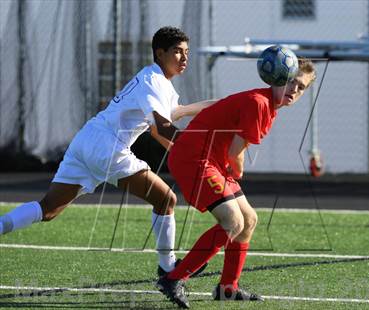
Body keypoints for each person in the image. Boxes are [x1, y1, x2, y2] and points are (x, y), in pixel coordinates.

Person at [0, 26, 213, 277]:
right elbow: (163, 129)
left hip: (86, 140)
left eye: (186, 52)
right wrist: (201, 154)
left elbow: (173, 114)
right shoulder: (155, 81)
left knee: (48, 209)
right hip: (107, 146)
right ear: (160, 53)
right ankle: (168, 269)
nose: (184, 58)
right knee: (166, 199)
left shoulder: (156, 81)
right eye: (177, 52)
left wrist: (217, 106)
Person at [156, 58, 317, 309]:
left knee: (249, 221)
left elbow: (230, 142)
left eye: (302, 87)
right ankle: (173, 278)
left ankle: (227, 288)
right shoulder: (259, 103)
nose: (295, 90)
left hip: (212, 160)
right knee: (233, 222)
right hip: (194, 157)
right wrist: (237, 171)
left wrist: (231, 168)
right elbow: (235, 154)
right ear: (276, 79)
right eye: (290, 82)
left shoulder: (266, 104)